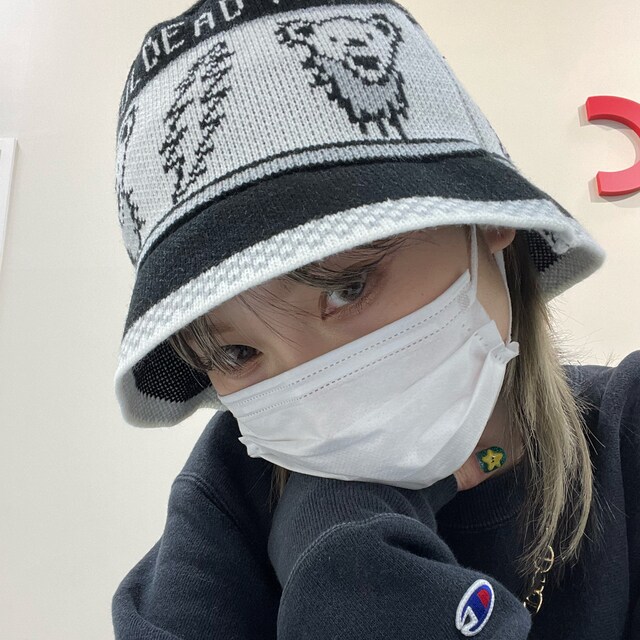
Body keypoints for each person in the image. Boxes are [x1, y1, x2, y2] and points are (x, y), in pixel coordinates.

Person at [110, 1, 639, 638]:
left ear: (486, 216)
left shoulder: (628, 436)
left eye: (348, 287)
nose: (320, 395)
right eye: (235, 354)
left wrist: (359, 597)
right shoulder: (219, 517)